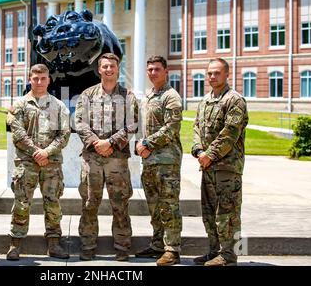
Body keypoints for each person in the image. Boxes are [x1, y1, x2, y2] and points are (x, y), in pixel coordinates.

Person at [75, 53, 139, 261]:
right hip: (92, 160)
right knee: (89, 203)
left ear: (118, 69)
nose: (108, 69)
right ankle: (87, 245)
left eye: (112, 66)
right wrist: (96, 142)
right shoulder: (87, 95)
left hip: (117, 160)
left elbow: (132, 124)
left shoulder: (128, 96)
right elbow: (80, 122)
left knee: (119, 204)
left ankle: (122, 246)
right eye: (105, 66)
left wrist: (110, 143)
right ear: (99, 70)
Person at [6, 63, 70, 260]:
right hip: (26, 164)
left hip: (51, 165)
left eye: (43, 78)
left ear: (49, 80)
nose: (40, 82)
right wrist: (37, 152)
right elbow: (18, 134)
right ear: (30, 79)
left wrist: (47, 152)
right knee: (21, 204)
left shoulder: (58, 106)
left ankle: (54, 244)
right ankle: (15, 244)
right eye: (36, 78)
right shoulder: (19, 106)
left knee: (53, 204)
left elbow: (64, 134)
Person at [191, 58, 248, 266]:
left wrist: (210, 155)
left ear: (226, 74)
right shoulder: (205, 100)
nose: (212, 76)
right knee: (209, 213)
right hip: (207, 167)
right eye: (209, 73)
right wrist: (198, 151)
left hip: (227, 168)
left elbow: (229, 134)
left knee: (228, 214)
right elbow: (197, 127)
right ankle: (215, 251)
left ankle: (230, 255)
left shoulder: (235, 100)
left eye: (216, 73)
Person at [134, 55, 183, 266]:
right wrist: (139, 144)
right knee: (154, 206)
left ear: (166, 72)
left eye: (157, 69)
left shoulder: (171, 96)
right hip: (150, 162)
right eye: (150, 69)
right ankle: (157, 244)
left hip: (166, 162)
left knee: (169, 205)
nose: (152, 73)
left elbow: (172, 127)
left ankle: (172, 249)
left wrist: (147, 144)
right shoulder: (148, 97)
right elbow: (142, 127)